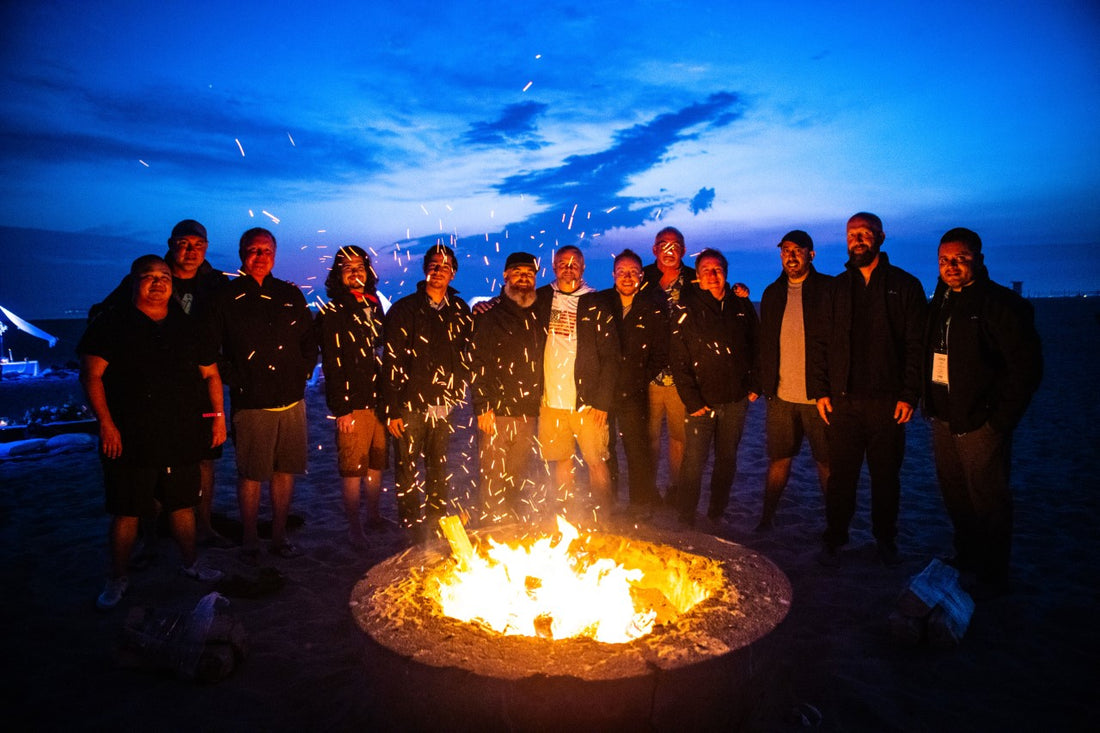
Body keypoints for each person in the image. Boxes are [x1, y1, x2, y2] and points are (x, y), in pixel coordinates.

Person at [79, 255, 226, 610]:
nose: (158, 282)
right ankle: (117, 577)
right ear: (134, 282)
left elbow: (210, 375)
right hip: (130, 437)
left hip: (181, 433)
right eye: (149, 276)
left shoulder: (186, 326)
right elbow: (91, 375)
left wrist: (217, 417)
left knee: (182, 504)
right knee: (127, 509)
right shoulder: (112, 323)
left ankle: (190, 564)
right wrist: (106, 423)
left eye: (164, 277)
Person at [90, 219, 231, 546]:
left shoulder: (215, 284)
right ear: (171, 244)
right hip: (155, 393)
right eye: (183, 243)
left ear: (206, 248)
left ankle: (204, 525)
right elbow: (103, 313)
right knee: (152, 459)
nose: (191, 250)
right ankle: (152, 533)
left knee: (206, 456)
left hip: (202, 391)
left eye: (198, 244)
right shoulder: (149, 276)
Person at [923, 227, 1042, 596]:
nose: (952, 266)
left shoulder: (1002, 305)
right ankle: (968, 555)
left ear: (979, 258)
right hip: (944, 415)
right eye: (945, 260)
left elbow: (1026, 370)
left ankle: (994, 573)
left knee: (988, 498)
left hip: (980, 422)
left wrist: (999, 422)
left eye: (960, 258)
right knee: (955, 493)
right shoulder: (942, 301)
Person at [810, 213, 926, 566]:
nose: (857, 240)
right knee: (842, 475)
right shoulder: (836, 288)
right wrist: (821, 390)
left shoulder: (904, 285)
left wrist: (909, 393)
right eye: (851, 235)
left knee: (885, 477)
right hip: (843, 401)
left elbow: (916, 344)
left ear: (880, 237)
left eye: (864, 234)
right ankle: (835, 536)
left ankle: (885, 539)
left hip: (888, 403)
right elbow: (820, 343)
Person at [208, 228, 317, 561]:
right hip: (252, 402)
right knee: (252, 473)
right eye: (254, 250)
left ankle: (279, 535)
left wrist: (304, 371)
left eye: (266, 251)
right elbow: (214, 349)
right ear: (242, 253)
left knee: (285, 470)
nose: (260, 257)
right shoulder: (226, 297)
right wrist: (237, 378)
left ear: (275, 254)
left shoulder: (288, 294)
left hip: (292, 400)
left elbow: (309, 339)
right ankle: (251, 537)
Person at [383, 243, 474, 541]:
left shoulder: (459, 310)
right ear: (425, 269)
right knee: (407, 469)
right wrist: (392, 409)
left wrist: (456, 386)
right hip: (410, 405)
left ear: (453, 273)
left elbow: (466, 351)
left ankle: (436, 522)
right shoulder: (404, 309)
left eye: (445, 267)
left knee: (438, 467)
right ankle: (410, 527)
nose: (439, 271)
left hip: (443, 406)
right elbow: (392, 362)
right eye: (434, 265)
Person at [670, 248, 759, 527]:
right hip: (701, 403)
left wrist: (756, 384)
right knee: (694, 462)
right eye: (706, 270)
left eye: (718, 269)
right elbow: (678, 358)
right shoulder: (686, 309)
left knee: (726, 460)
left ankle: (716, 512)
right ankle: (686, 516)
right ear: (697, 275)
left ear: (726, 272)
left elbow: (757, 345)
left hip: (735, 401)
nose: (712, 274)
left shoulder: (740, 305)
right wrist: (693, 400)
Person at [755, 230, 832, 530]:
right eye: (786, 250)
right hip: (781, 397)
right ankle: (766, 518)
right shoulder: (773, 293)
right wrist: (765, 385)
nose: (791, 255)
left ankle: (834, 524)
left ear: (811, 254)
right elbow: (765, 342)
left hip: (819, 398)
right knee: (778, 459)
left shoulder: (828, 290)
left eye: (798, 250)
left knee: (826, 463)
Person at [535, 245, 619, 515]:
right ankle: (567, 514)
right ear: (553, 267)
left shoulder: (596, 301)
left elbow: (610, 356)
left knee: (596, 461)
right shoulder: (542, 298)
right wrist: (486, 304)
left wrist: (602, 402)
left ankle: (603, 516)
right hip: (551, 401)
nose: (568, 267)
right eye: (562, 263)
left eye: (574, 263)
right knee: (562, 460)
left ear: (583, 268)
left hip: (588, 403)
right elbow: (511, 305)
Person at [317, 246, 387, 545]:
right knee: (352, 468)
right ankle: (354, 526)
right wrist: (341, 407)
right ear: (338, 274)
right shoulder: (333, 310)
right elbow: (332, 362)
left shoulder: (374, 303)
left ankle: (373, 516)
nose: (355, 271)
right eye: (348, 267)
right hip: (352, 402)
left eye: (360, 266)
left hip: (380, 400)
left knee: (376, 462)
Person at [471, 252, 546, 522]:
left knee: (517, 471)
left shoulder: (540, 309)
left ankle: (511, 522)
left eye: (529, 273)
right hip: (497, 412)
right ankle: (491, 525)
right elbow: (479, 362)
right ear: (505, 275)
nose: (524, 278)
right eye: (517, 272)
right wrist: (483, 406)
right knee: (493, 473)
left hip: (528, 411)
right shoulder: (490, 314)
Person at [593, 249, 668, 510]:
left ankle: (639, 504)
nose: (627, 277)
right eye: (622, 272)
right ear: (613, 275)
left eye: (633, 272)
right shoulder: (600, 302)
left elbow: (661, 351)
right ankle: (610, 502)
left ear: (641, 275)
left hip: (634, 392)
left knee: (637, 450)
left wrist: (639, 376)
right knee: (607, 449)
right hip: (602, 392)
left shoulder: (652, 307)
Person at [641, 227, 694, 504]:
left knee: (678, 438)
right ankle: (648, 490)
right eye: (663, 244)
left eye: (676, 245)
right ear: (654, 250)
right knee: (648, 438)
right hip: (648, 374)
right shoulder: (643, 278)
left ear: (684, 250)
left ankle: (675, 490)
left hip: (681, 376)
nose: (670, 249)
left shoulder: (696, 280)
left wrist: (740, 295)